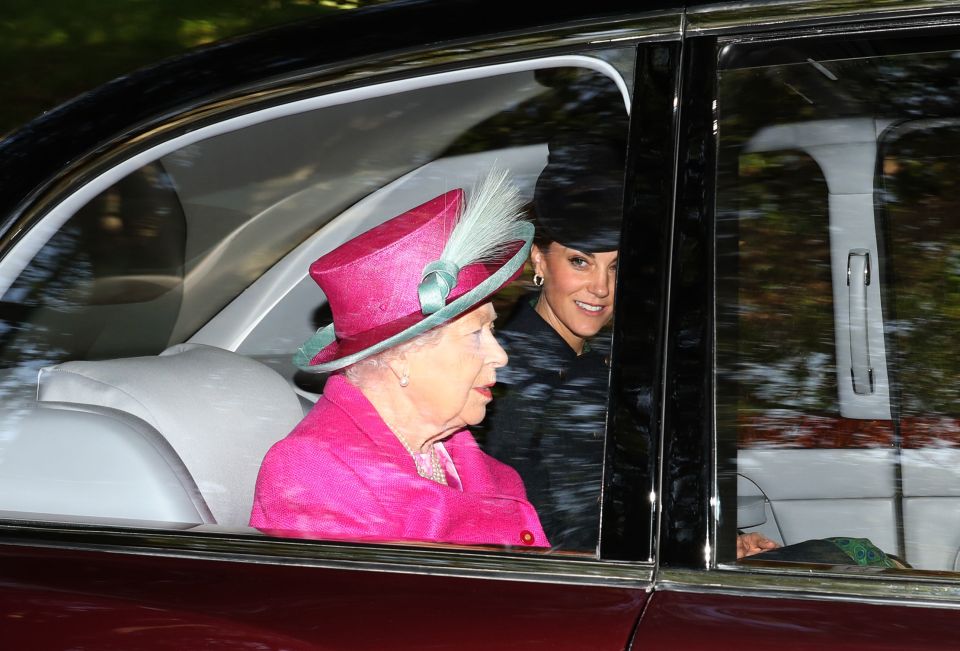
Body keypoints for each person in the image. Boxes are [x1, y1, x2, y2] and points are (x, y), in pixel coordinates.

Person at [482, 139, 781, 558]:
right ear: (539, 260)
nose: (602, 288)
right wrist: (692, 553)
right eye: (580, 261)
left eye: (617, 266)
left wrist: (715, 545)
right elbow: (554, 540)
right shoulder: (512, 376)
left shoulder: (579, 362)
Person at [250, 170, 548, 548]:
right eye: (475, 335)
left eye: (491, 331)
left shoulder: (486, 472)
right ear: (399, 358)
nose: (500, 356)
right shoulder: (313, 474)